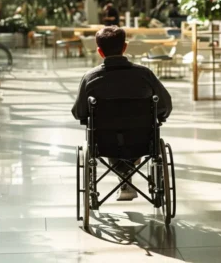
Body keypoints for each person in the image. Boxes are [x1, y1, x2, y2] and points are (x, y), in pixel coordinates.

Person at [72, 26, 172, 201]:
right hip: (141, 140)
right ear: (125, 47)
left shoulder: (90, 78)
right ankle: (127, 177)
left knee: (110, 132)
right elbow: (165, 105)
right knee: (133, 133)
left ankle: (123, 179)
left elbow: (79, 112)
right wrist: (161, 115)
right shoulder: (145, 75)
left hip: (104, 142)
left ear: (99, 51)